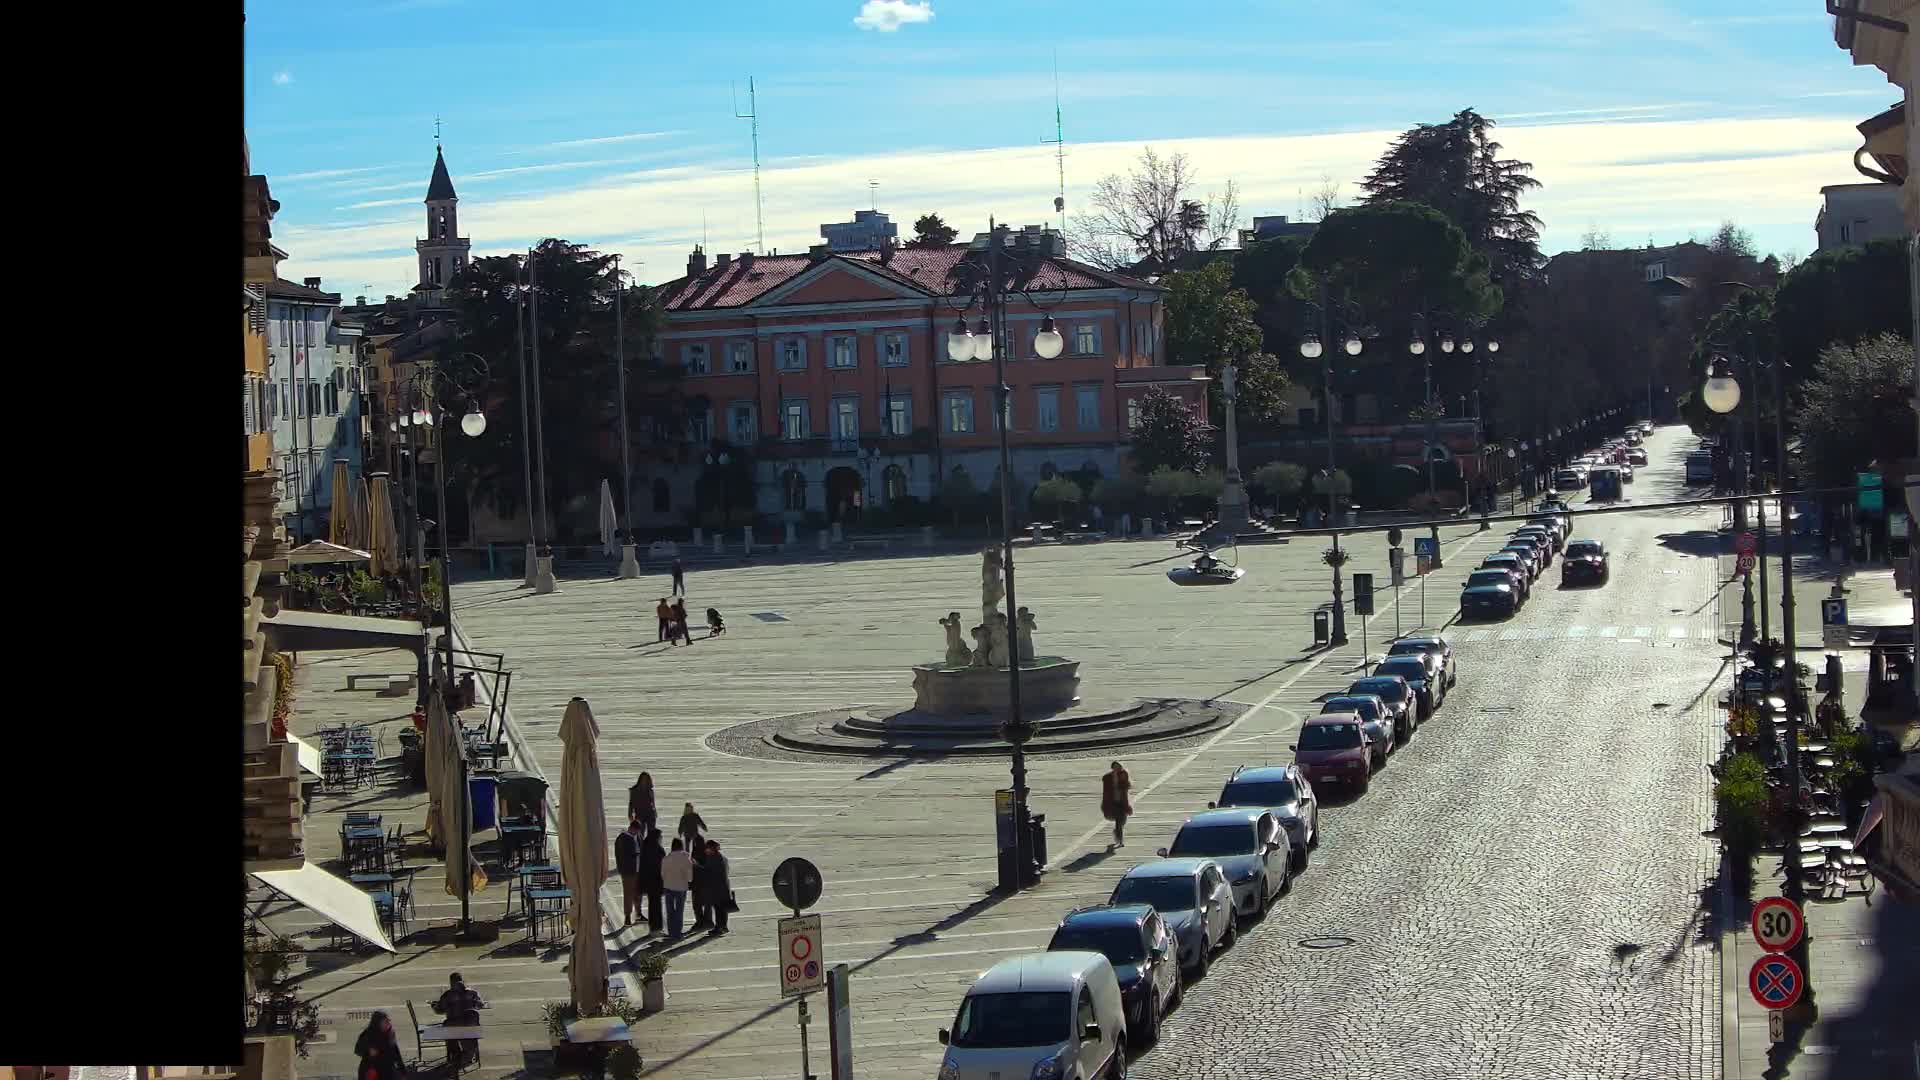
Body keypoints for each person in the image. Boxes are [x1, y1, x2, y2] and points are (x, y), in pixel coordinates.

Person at [433, 972, 484, 1067]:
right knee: (467, 1039)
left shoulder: (448, 995)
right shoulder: (472, 992)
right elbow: (480, 1005)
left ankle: (455, 1057)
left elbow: (439, 1010)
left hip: (454, 1027)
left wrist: (434, 1006)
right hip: (472, 1028)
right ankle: (463, 1057)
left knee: (447, 1031)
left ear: (451, 982)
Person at [354, 1010, 406, 1080]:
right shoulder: (368, 1034)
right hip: (370, 1071)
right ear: (377, 1023)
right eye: (385, 1021)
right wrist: (368, 1051)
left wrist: (403, 1071)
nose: (388, 1023)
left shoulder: (390, 1033)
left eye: (388, 1021)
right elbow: (357, 1050)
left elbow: (395, 1051)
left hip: (387, 1071)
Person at [660, 835, 694, 940]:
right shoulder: (686, 859)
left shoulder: (666, 858)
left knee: (670, 911)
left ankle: (671, 932)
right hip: (681, 888)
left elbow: (662, 874)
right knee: (679, 910)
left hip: (668, 886)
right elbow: (690, 877)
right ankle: (677, 932)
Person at [614, 817, 644, 927]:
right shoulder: (622, 838)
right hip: (628, 871)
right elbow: (621, 855)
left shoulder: (638, 837)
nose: (637, 833)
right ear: (631, 828)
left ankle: (639, 913)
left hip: (638, 870)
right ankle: (627, 916)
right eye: (636, 831)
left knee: (638, 892)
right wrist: (635, 854)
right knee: (628, 894)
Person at [700, 838, 733, 936]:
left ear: (712, 849)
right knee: (722, 909)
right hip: (724, 887)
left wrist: (697, 866)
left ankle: (719, 928)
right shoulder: (722, 857)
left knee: (719, 909)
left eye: (707, 848)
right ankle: (723, 927)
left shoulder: (713, 858)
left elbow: (709, 872)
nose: (706, 850)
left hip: (717, 888)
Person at [639, 826, 667, 935]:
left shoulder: (645, 847)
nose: (661, 838)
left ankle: (653, 928)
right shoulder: (658, 849)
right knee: (656, 906)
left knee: (652, 905)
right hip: (656, 882)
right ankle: (657, 929)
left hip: (647, 881)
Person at [1101, 761, 1133, 848]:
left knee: (1122, 822)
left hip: (1122, 802)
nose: (1117, 768)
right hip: (1112, 802)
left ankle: (1117, 833)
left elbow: (1127, 787)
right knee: (1119, 823)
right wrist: (1104, 804)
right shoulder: (1107, 777)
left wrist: (1123, 782)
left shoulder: (1124, 774)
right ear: (1112, 767)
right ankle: (1120, 841)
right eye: (1115, 766)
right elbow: (1105, 792)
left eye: (1118, 766)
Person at [688, 839, 712, 933]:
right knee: (706, 904)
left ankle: (701, 922)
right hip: (705, 884)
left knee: (697, 905)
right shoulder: (707, 854)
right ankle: (707, 921)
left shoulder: (697, 855)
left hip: (698, 884)